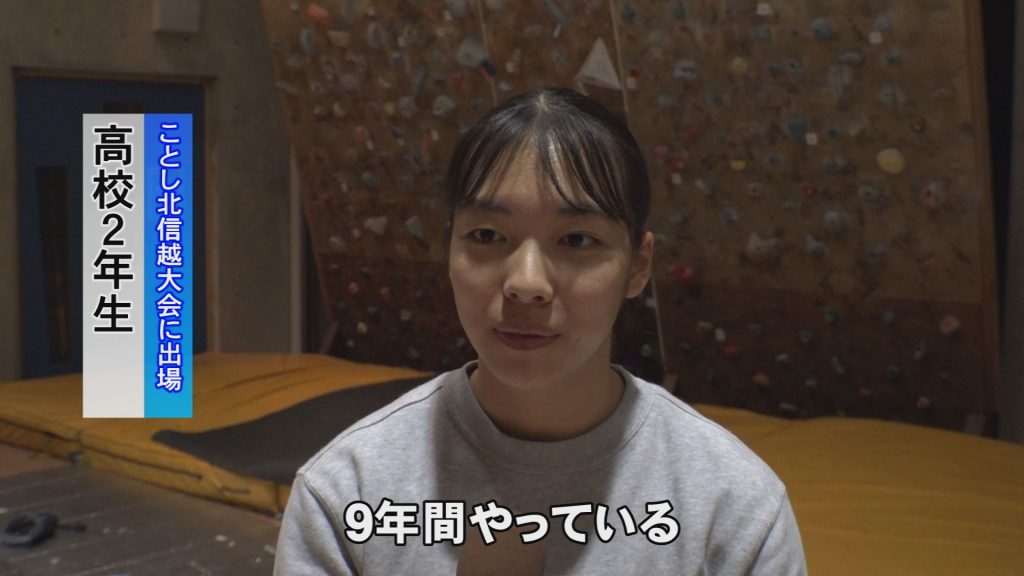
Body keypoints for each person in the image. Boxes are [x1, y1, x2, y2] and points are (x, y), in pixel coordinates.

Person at [274, 87, 807, 575]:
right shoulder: (346, 493)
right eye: (487, 235)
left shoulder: (734, 510)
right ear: (449, 248)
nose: (526, 283)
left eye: (576, 240)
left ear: (638, 265)